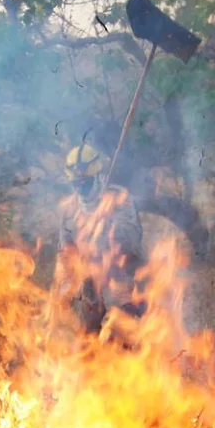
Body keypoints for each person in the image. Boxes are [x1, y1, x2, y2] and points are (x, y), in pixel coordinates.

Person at [55, 143, 146, 336]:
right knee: (88, 337)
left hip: (125, 278)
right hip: (91, 282)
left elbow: (131, 242)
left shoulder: (119, 199)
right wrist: (63, 292)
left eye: (85, 183)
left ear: (98, 176)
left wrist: (105, 224)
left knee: (121, 336)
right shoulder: (68, 209)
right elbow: (66, 255)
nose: (81, 189)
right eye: (76, 184)